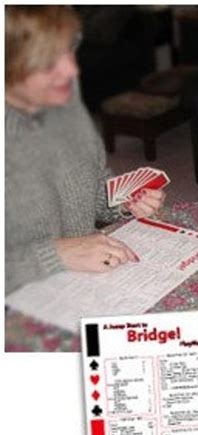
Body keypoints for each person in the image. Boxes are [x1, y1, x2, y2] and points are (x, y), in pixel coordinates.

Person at [5, 6, 165, 295]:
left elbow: (91, 183)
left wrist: (121, 200)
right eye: (47, 61)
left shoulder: (63, 99)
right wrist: (56, 254)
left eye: (69, 50)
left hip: (85, 281)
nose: (72, 69)